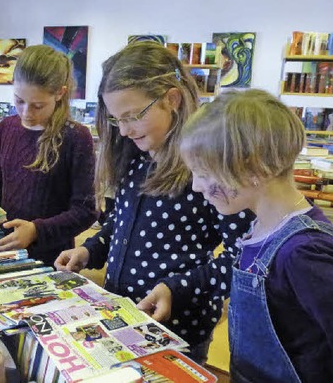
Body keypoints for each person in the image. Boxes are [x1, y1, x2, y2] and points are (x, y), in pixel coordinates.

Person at [54, 41, 253, 363]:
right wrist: (90, 250)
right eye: (118, 119)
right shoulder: (137, 157)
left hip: (177, 328)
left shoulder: (207, 167)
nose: (124, 130)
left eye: (133, 116)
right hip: (124, 317)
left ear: (172, 99)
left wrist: (179, 287)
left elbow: (245, 259)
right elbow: (120, 224)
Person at [179, 89, 333, 382]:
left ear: (252, 168)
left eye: (202, 173)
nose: (197, 187)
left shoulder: (303, 252)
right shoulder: (259, 228)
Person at [0, 44, 98, 266]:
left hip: (51, 259)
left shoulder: (76, 137)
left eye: (38, 106)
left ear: (60, 93)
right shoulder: (6, 127)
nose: (26, 113)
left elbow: (86, 211)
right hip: (5, 249)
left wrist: (36, 231)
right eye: (19, 101)